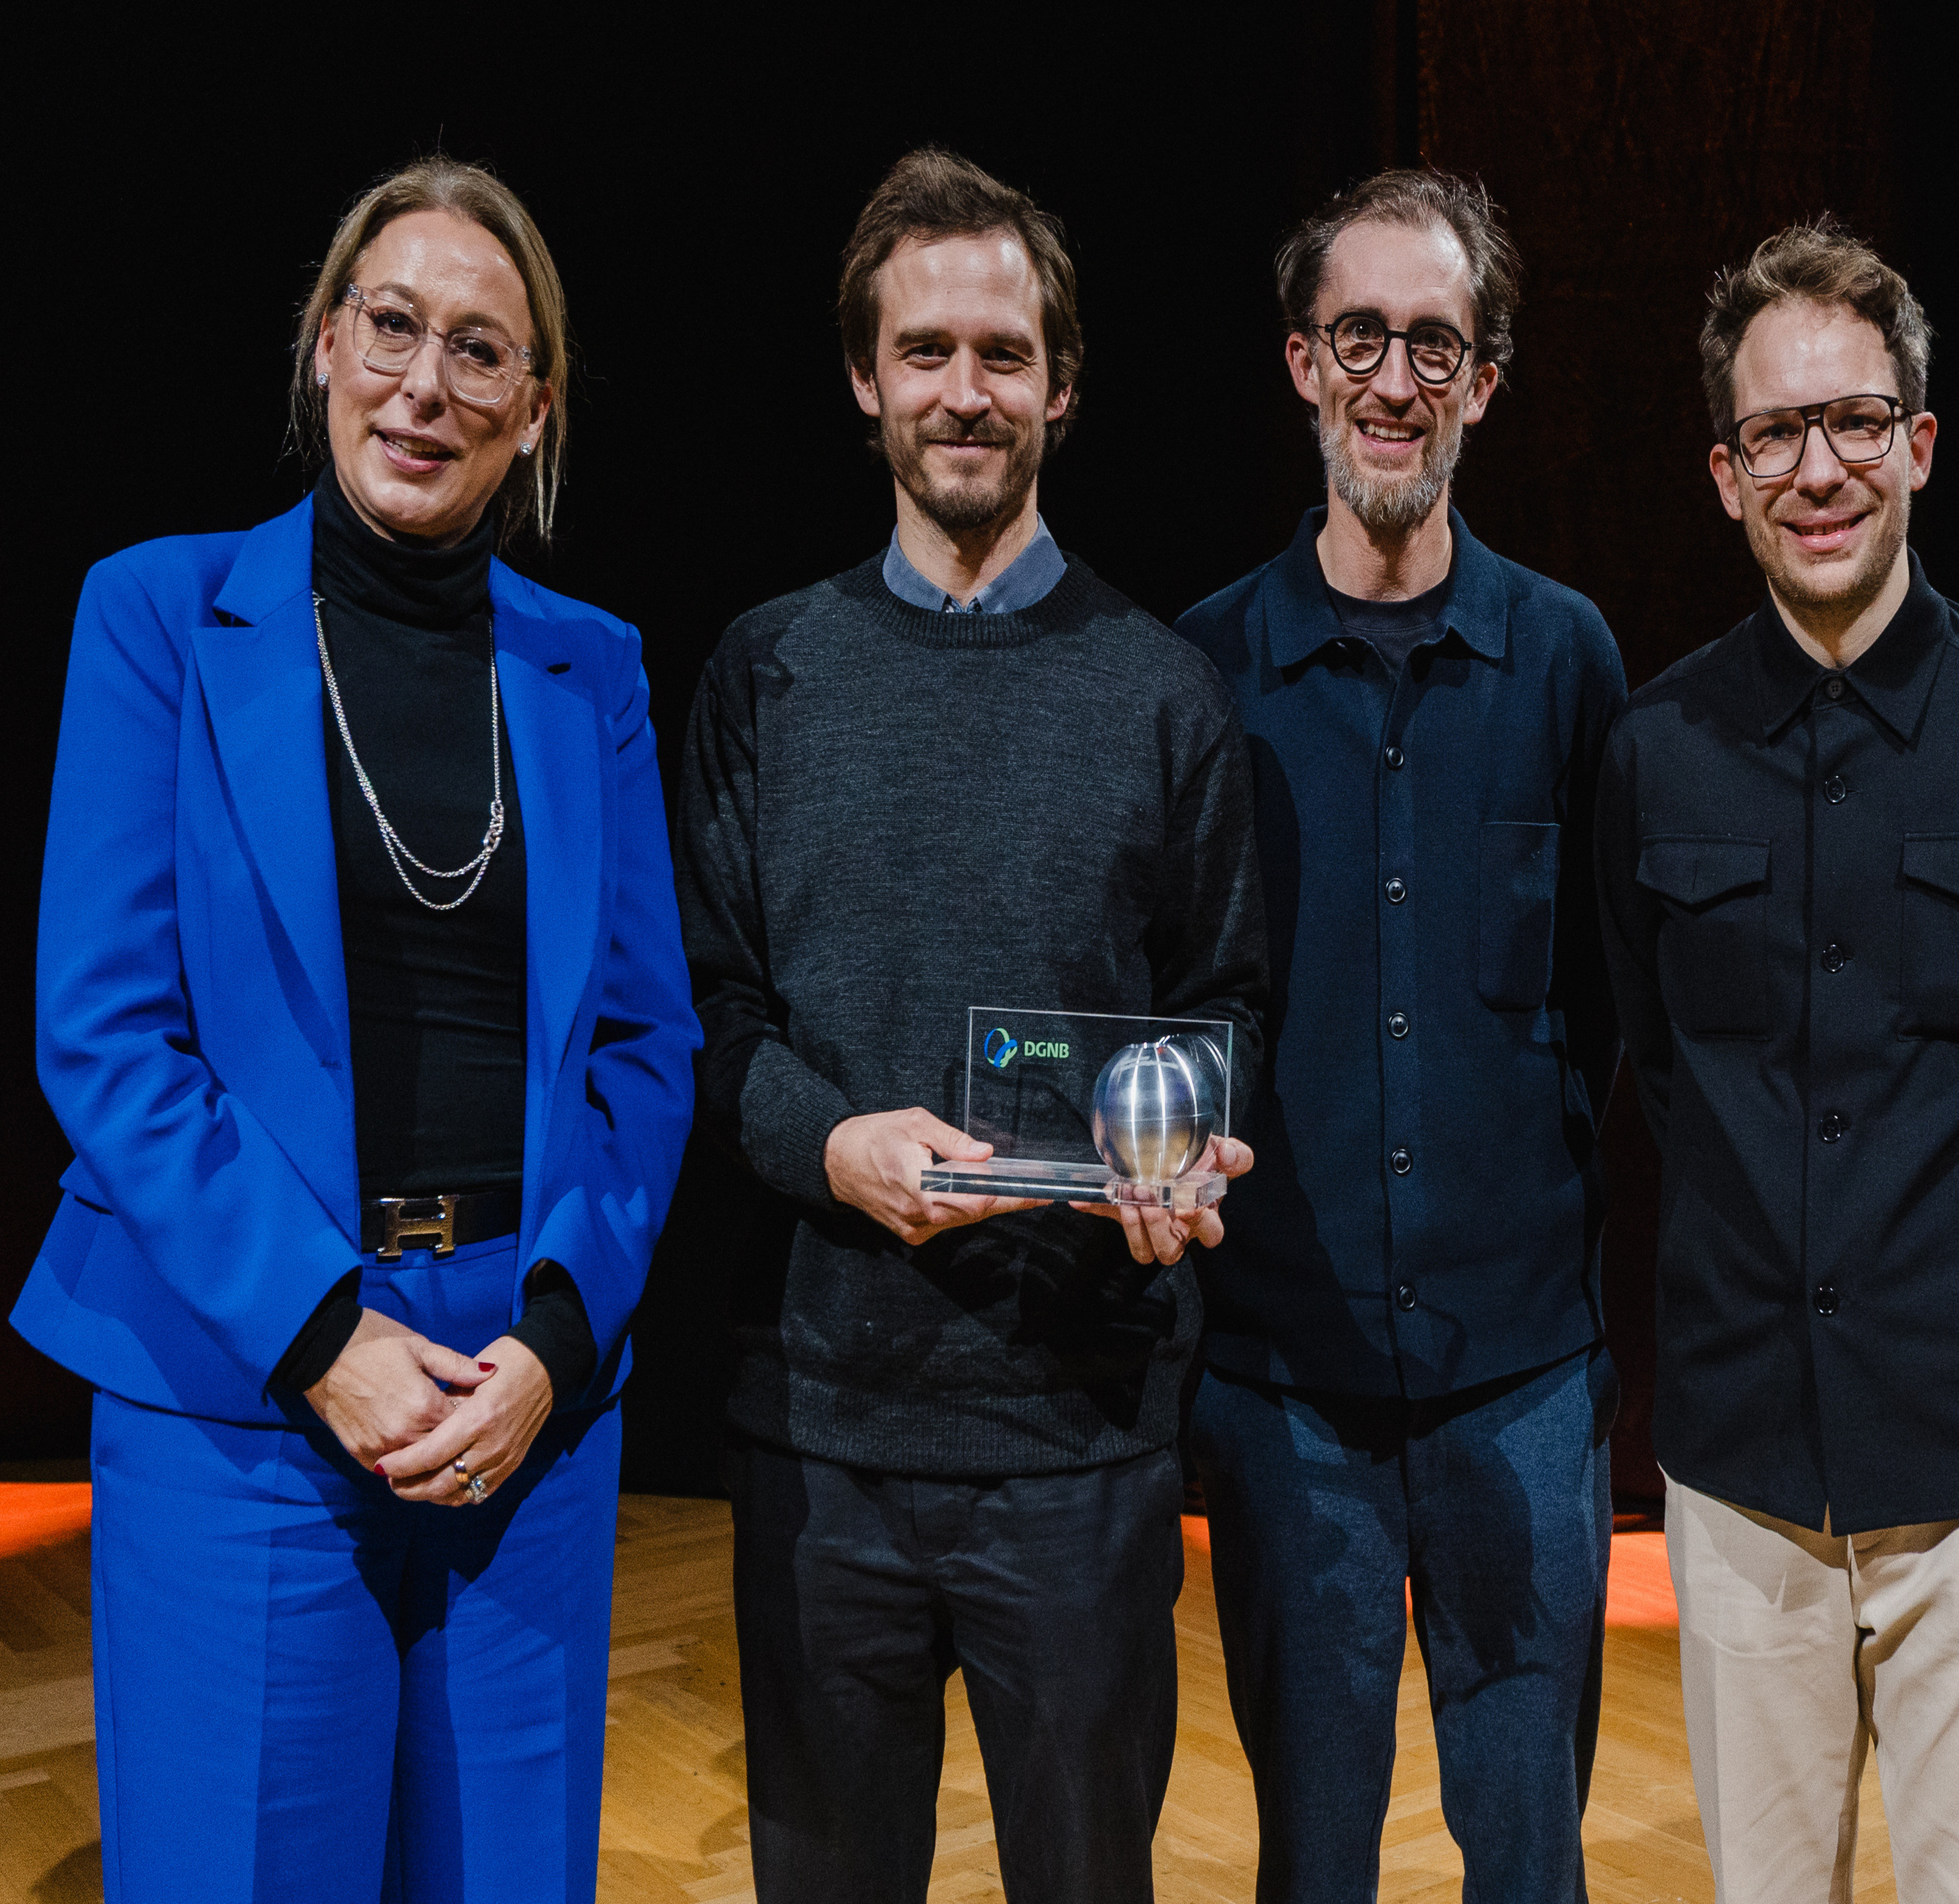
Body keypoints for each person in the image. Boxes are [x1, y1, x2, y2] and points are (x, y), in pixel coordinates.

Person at [16, 157, 697, 1902]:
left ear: (533, 407)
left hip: (518, 1404)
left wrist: (553, 1338)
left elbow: (642, 1047)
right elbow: (103, 1035)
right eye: (392, 326)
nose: (426, 383)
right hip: (241, 1387)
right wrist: (324, 1332)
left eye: (482, 350)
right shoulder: (160, 614)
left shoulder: (592, 664)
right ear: (325, 344)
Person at [674, 148, 1267, 1904]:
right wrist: (831, 1145)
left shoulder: (1163, 691)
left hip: (1077, 1441)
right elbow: (707, 1017)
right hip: (821, 1438)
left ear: (1061, 389)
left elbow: (1222, 1007)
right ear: (864, 380)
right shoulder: (765, 672)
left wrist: (1183, 1155)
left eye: (1002, 354)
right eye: (924, 352)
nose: (964, 392)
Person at [1595, 219, 1959, 1901]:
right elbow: (1652, 1064)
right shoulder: (1651, 749)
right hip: (1743, 1459)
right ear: (1723, 472)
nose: (1814, 470)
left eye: (1851, 424)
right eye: (1773, 434)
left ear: (1917, 443)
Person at [1174, 170, 1628, 1902]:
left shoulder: (1568, 659)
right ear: (1300, 361)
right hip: (1285, 1399)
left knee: (1530, 1862)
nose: (1392, 378)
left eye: (1432, 343)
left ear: (1485, 381)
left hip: (1519, 1381)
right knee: (1314, 1866)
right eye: (1356, 335)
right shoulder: (1201, 672)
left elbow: (1610, 1011)